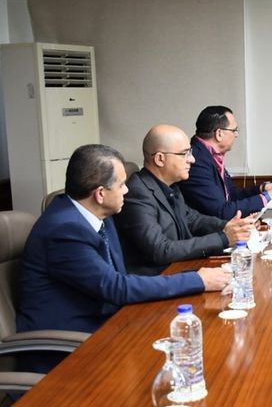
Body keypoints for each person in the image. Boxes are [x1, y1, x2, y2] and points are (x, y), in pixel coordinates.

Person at [15, 144, 230, 372]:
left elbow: (121, 277)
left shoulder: (100, 214)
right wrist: (197, 280)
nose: (127, 191)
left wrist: (196, 277)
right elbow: (116, 287)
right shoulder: (64, 230)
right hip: (68, 347)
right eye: (121, 185)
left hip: (110, 323)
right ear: (100, 194)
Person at [114, 125, 253, 276]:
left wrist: (228, 226)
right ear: (160, 159)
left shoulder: (171, 184)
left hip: (180, 268)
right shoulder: (137, 193)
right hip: (159, 278)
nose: (192, 160)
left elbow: (192, 219)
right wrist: (223, 238)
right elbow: (160, 250)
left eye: (190, 152)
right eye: (184, 154)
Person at [178, 105, 272, 219]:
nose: (236, 135)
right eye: (234, 130)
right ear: (219, 134)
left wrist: (263, 188)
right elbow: (222, 211)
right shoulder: (196, 161)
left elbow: (232, 195)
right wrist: (270, 195)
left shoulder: (209, 154)